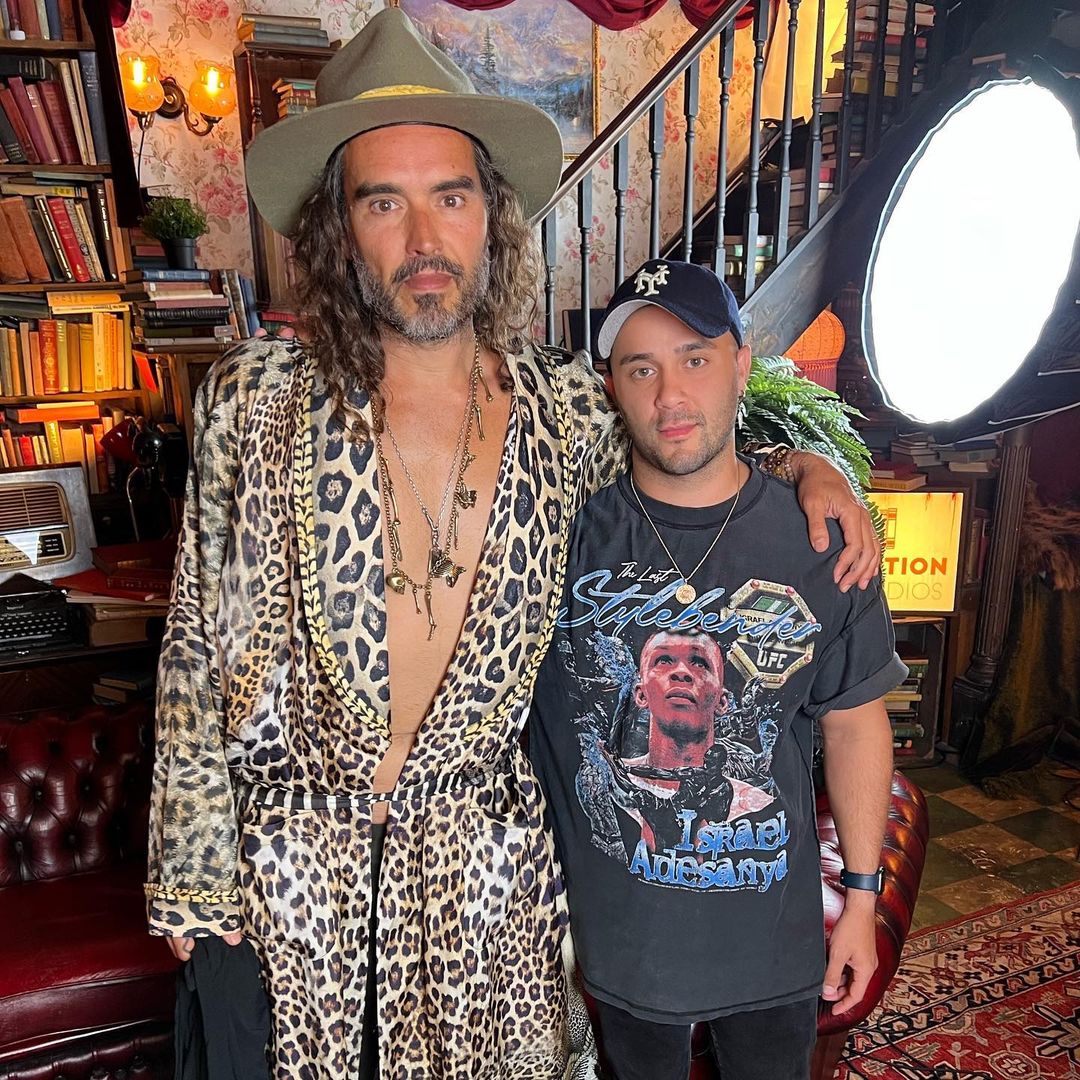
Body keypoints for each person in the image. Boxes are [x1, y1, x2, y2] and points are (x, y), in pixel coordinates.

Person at [144, 10, 882, 1080]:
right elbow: (191, 646)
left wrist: (806, 466)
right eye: (383, 202)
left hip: (486, 880)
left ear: (490, 217)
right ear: (338, 228)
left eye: (450, 197)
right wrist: (192, 878)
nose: (423, 238)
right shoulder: (251, 400)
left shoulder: (564, 410)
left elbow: (685, 452)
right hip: (288, 877)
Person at [529, 259, 905, 1080]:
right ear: (611, 388)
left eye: (694, 359)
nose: (670, 395)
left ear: (740, 364)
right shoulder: (557, 539)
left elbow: (853, 720)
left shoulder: (820, 541)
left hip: (771, 947)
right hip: (620, 948)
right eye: (641, 369)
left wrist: (861, 898)